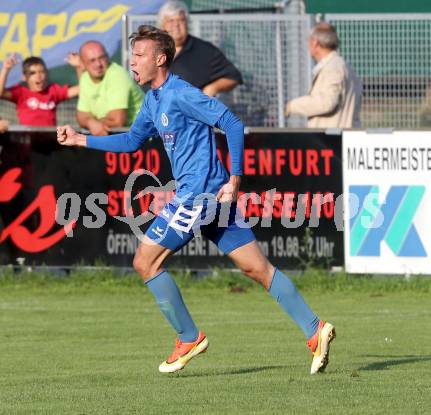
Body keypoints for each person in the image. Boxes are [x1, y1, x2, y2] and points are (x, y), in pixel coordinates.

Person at [57, 25, 335, 375]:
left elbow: (231, 123)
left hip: (199, 196)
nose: (132, 62)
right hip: (211, 198)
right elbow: (131, 142)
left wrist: (234, 179)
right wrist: (82, 140)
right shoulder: (153, 101)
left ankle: (189, 338)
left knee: (146, 263)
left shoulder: (180, 93)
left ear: (160, 59)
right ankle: (315, 330)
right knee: (256, 269)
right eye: (132, 55)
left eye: (139, 55)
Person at [158, 0, 242, 97]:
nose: (176, 25)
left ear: (187, 23)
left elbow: (233, 76)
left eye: (181, 20)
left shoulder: (205, 51)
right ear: (162, 25)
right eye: (171, 21)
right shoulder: (153, 50)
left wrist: (213, 88)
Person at [285, 22, 362, 129]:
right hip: (343, 138)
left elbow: (327, 102)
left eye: (309, 40)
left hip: (332, 140)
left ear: (315, 43)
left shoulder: (333, 68)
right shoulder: (345, 67)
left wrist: (292, 105)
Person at [68, 41, 144, 136]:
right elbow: (81, 116)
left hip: (145, 138)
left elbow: (117, 121)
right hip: (119, 138)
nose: (98, 64)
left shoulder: (118, 75)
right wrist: (90, 123)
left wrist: (92, 123)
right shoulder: (84, 78)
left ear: (107, 57)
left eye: (102, 58)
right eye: (92, 60)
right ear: (82, 64)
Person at [0, 55, 79, 126]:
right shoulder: (20, 92)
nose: (38, 76)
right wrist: (6, 69)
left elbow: (81, 89)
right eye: (33, 73)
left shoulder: (53, 90)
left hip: (49, 139)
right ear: (24, 77)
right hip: (27, 140)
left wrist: (79, 67)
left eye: (42, 72)